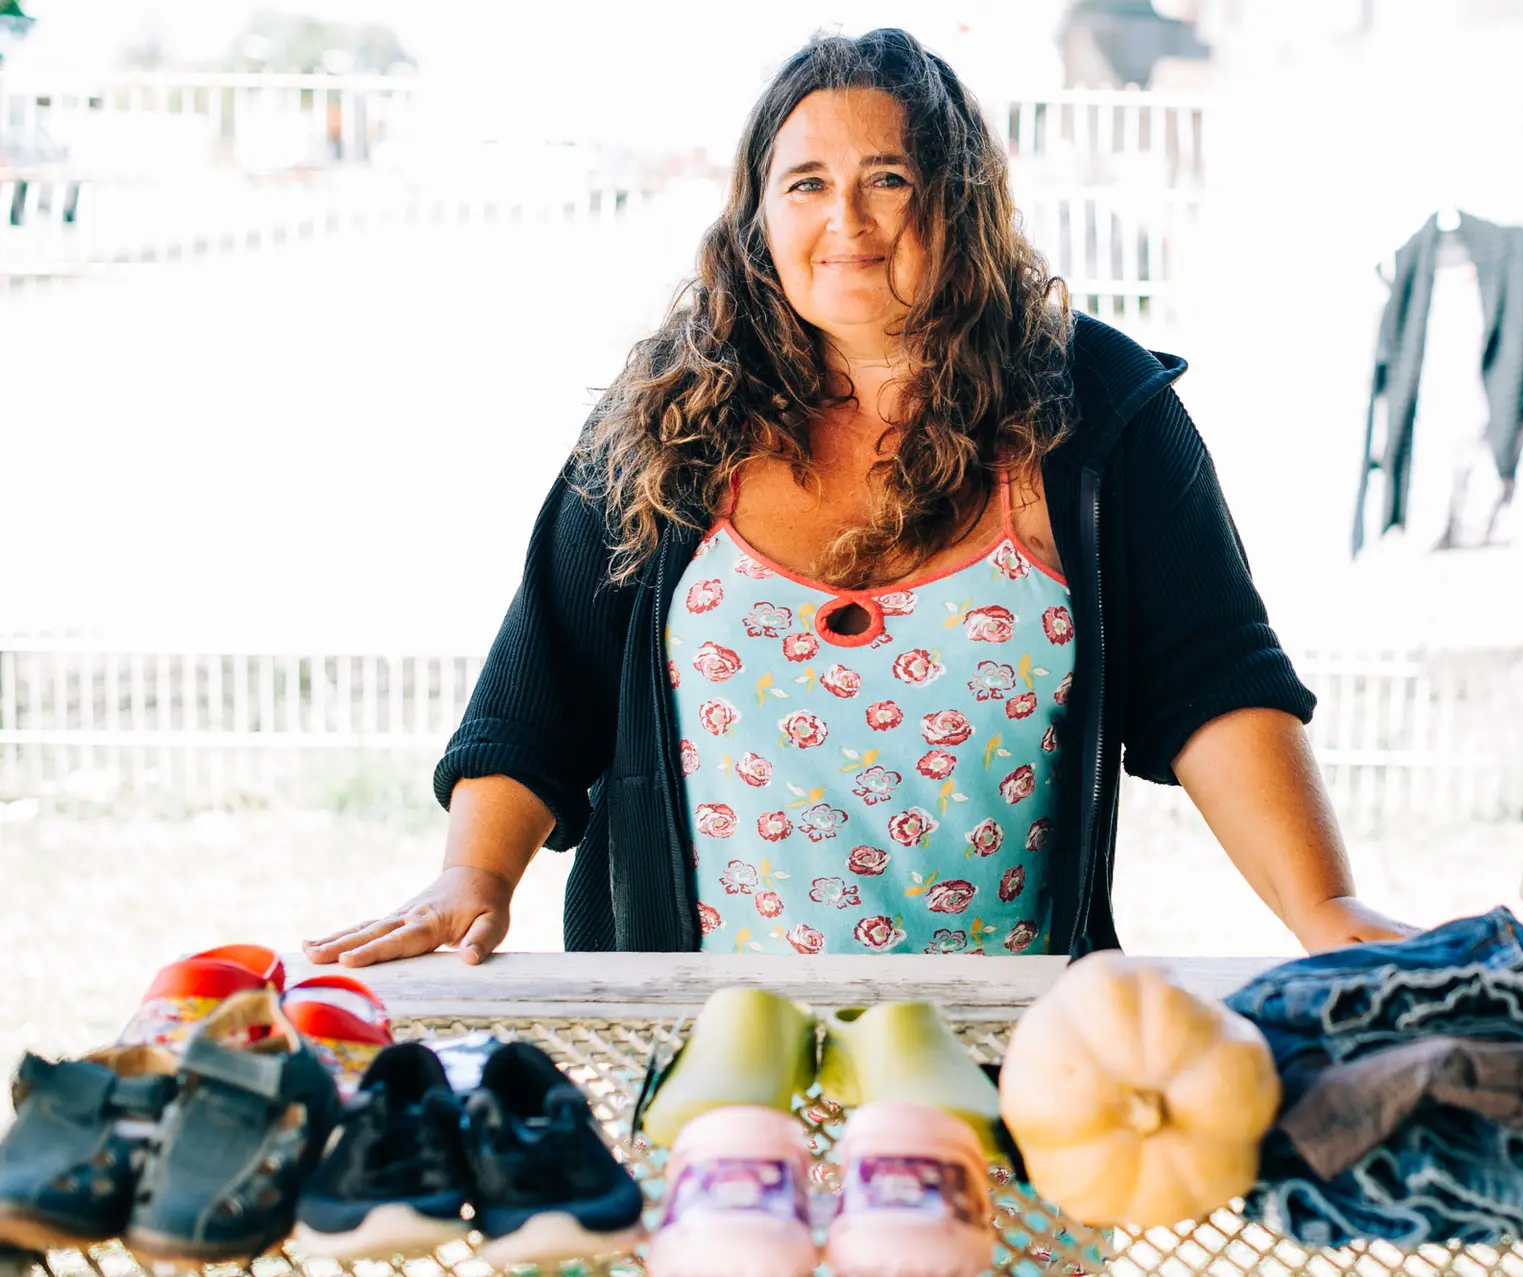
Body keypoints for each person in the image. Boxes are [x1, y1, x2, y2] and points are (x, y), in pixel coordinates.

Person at [304, 28, 1414, 967]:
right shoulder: (665, 418)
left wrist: (1323, 908)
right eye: (806, 183)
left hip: (1010, 1061)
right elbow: (542, 686)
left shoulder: (1096, 409)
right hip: (704, 1054)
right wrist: (473, 874)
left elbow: (1215, 682)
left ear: (957, 197)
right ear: (758, 217)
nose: (849, 217)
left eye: (887, 176)